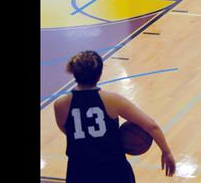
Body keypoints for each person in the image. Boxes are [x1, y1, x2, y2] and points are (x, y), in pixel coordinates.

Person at [54, 50, 176, 183]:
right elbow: (151, 126)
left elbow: (68, 131)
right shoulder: (113, 101)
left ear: (74, 73)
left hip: (79, 172)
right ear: (99, 75)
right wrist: (166, 152)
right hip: (113, 170)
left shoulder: (60, 105)